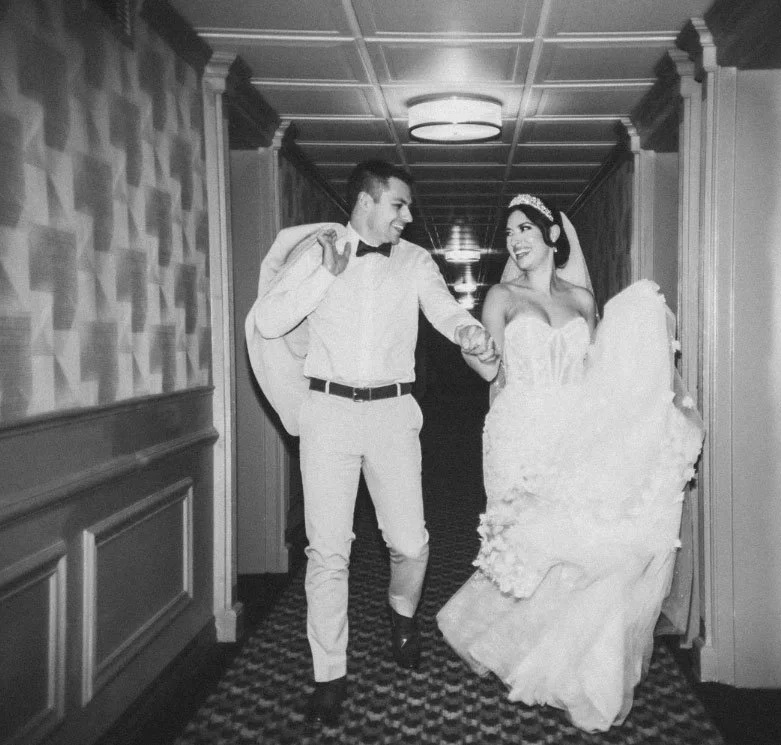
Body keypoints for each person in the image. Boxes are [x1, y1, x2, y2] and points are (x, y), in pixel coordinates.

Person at [436, 194, 704, 732]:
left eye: (526, 229)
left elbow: (603, 372)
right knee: (533, 548)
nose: (515, 240)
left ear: (552, 236)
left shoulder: (582, 299)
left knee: (583, 545)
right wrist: (477, 351)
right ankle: (530, 652)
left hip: (574, 430)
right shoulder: (500, 295)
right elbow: (489, 369)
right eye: (510, 232)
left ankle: (574, 667)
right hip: (517, 431)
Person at [245, 160, 497, 726]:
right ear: (365, 201)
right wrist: (324, 274)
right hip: (328, 414)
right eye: (398, 205)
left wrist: (469, 330)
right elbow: (269, 321)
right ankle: (328, 675)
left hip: (392, 415)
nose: (408, 217)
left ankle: (401, 612)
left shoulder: (414, 261)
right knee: (328, 551)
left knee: (411, 542)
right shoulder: (319, 253)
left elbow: (443, 308)